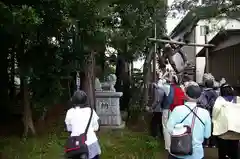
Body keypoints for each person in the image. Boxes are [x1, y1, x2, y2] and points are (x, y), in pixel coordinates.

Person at [167, 84, 212, 159]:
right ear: (199, 97)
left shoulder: (177, 110)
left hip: (177, 151)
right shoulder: (205, 113)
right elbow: (207, 135)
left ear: (186, 95)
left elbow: (169, 129)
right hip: (197, 154)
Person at [65, 90, 101, 159]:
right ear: (85, 100)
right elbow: (96, 127)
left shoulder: (70, 112)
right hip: (91, 143)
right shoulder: (91, 111)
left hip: (75, 145)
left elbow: (69, 129)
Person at [217, 84, 239, 159]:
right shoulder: (238, 99)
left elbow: (215, 114)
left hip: (223, 132)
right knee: (234, 152)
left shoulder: (219, 100)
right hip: (235, 132)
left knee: (222, 153)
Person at [198, 79, 218, 147]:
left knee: (204, 127)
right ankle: (213, 143)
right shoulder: (215, 93)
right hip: (213, 113)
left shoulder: (203, 92)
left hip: (205, 112)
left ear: (205, 85)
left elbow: (200, 102)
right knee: (212, 128)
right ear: (212, 85)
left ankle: (204, 143)